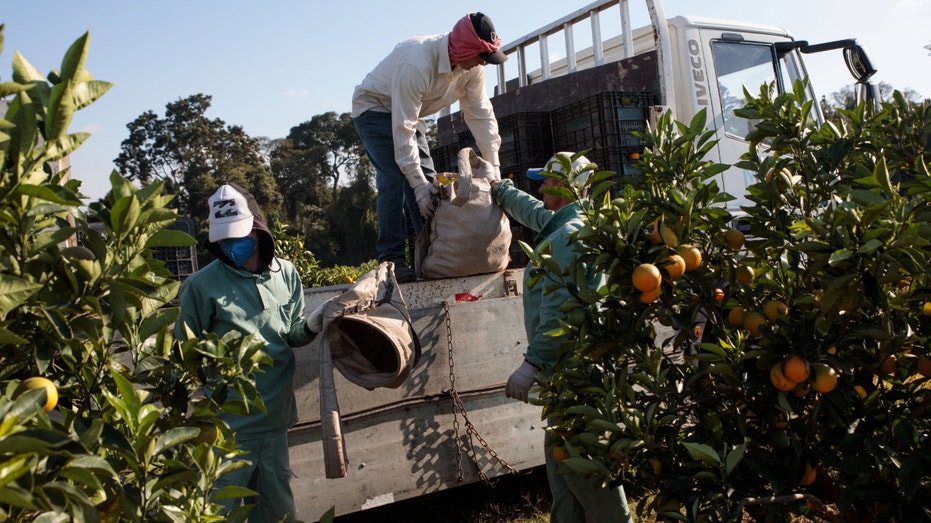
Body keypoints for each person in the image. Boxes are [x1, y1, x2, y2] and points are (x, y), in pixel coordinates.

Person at [489, 153, 633, 523]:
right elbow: (535, 211)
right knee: (562, 469)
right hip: (564, 377)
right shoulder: (569, 224)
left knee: (587, 465)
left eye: (548, 182)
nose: (540, 187)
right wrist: (500, 189)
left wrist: (530, 363)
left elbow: (561, 311)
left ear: (567, 187)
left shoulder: (568, 239)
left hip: (575, 374)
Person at [175, 183, 324, 522]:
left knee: (276, 513)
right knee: (216, 513)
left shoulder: (285, 274)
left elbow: (290, 334)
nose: (231, 246)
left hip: (274, 419)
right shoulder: (201, 286)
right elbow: (184, 354)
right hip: (228, 428)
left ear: (257, 231)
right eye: (223, 240)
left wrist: (314, 323)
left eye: (237, 236)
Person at [351, 12, 507, 282]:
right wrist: (417, 184)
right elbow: (402, 130)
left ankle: (436, 255)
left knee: (429, 181)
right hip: (375, 108)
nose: (483, 62)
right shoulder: (417, 62)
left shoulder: (472, 70)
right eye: (481, 55)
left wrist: (493, 165)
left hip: (411, 113)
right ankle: (392, 262)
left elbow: (480, 114)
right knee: (395, 176)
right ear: (464, 48)